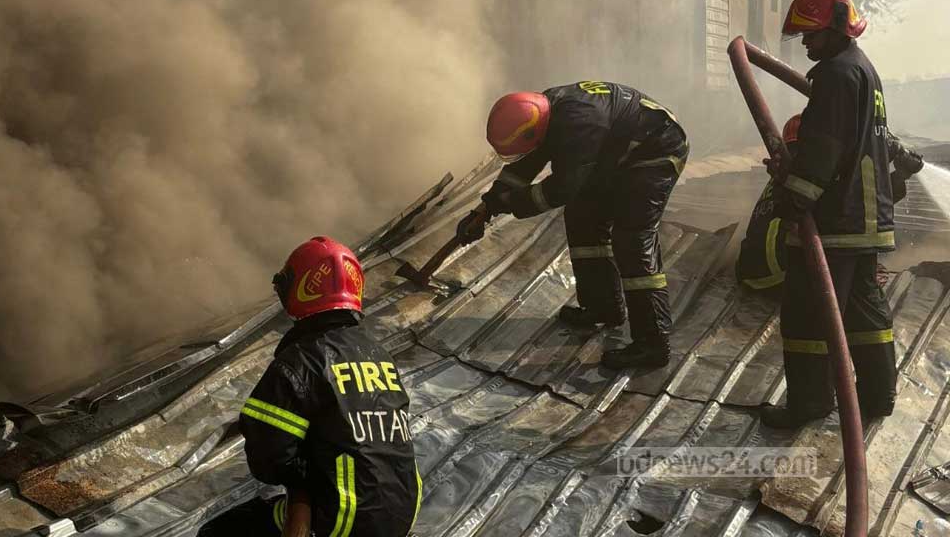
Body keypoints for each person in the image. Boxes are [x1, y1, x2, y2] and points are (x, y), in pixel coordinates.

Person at [198, 237, 421, 536]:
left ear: (302, 289)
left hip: (343, 520)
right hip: (400, 515)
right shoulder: (379, 355)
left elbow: (269, 461)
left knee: (219, 531)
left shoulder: (298, 363)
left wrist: (305, 481)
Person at [460, 81, 688, 369]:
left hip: (657, 150)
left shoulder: (579, 126)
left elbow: (559, 190)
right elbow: (524, 165)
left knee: (632, 238)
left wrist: (510, 203)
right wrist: (487, 207)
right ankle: (603, 308)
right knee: (582, 216)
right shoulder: (542, 113)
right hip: (617, 153)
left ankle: (653, 344)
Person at [762, 0, 900, 428]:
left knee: (808, 314)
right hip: (865, 217)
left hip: (837, 218)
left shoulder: (836, 75)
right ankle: (878, 396)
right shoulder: (863, 69)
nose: (805, 43)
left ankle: (809, 404)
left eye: (812, 33)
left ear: (837, 28)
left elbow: (824, 148)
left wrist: (793, 199)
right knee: (864, 313)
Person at [737, 114, 923, 291]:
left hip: (752, 273)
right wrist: (898, 173)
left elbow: (848, 196)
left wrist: (898, 174)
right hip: (785, 273)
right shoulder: (812, 170)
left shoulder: (789, 172)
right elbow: (860, 204)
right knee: (861, 271)